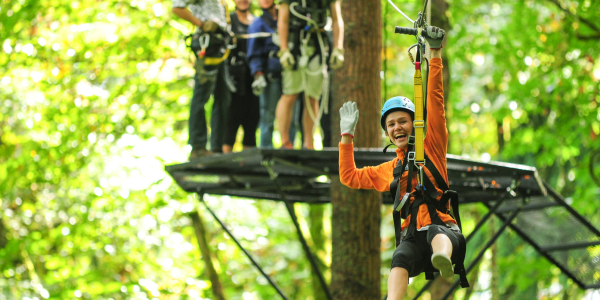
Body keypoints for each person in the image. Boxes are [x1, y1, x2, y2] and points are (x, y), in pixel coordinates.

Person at [338, 27, 466, 300]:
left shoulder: (431, 147)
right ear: (387, 133)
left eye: (403, 121)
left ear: (415, 124)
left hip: (444, 231)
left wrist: (434, 53)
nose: (397, 128)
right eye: (391, 125)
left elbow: (435, 101)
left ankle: (442, 259)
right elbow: (349, 176)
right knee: (400, 256)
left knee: (436, 233)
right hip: (412, 239)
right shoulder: (390, 169)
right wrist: (346, 137)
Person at [275, 0, 344, 149]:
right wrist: (284, 49)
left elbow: (337, 19)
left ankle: (309, 142)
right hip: (294, 47)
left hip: (317, 47)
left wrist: (338, 48)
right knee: (290, 94)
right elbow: (283, 20)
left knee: (312, 97)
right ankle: (285, 141)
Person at [172, 0, 230, 159]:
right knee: (201, 96)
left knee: (223, 97)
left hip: (220, 46)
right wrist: (200, 23)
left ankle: (217, 147)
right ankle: (198, 146)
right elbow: (177, 6)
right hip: (208, 45)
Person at [247, 0, 299, 148]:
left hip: (291, 74)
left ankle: (290, 152)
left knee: (292, 118)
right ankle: (266, 153)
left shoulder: (292, 20)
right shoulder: (257, 24)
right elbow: (254, 54)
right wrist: (258, 74)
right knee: (267, 118)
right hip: (271, 78)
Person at [222, 0, 259, 153]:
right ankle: (225, 168)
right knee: (231, 120)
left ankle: (247, 168)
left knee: (252, 121)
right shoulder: (228, 20)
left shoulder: (257, 22)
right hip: (233, 79)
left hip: (254, 79)